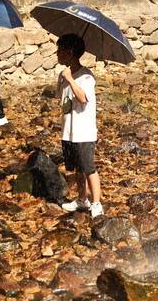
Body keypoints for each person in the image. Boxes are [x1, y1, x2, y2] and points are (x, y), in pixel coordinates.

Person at [56, 34, 103, 218]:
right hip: (68, 130)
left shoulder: (86, 76)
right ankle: (82, 198)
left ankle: (96, 203)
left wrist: (70, 79)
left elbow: (83, 99)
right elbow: (59, 98)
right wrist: (62, 81)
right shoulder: (66, 75)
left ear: (70, 52)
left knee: (89, 167)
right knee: (77, 169)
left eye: (60, 51)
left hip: (84, 132)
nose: (57, 54)